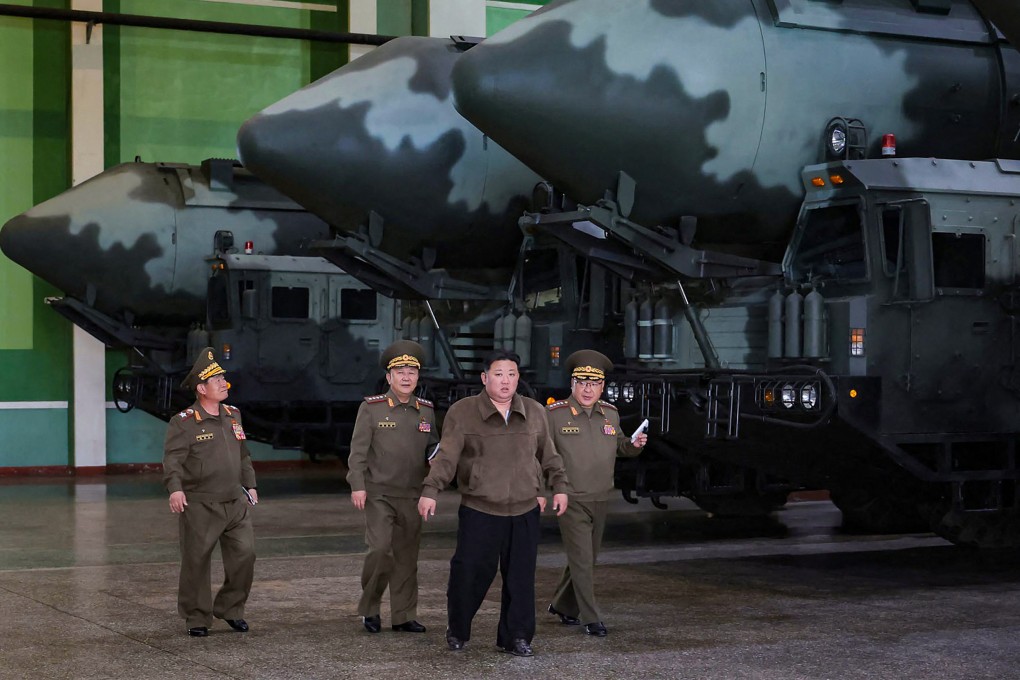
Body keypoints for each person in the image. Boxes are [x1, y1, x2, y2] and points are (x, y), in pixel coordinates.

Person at [417, 349, 569, 658]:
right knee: (469, 573)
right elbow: (447, 456)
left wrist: (560, 486)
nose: (506, 381)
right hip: (480, 509)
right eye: (499, 374)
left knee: (521, 580)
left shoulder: (536, 411)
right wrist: (430, 489)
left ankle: (516, 637)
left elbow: (548, 454)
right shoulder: (463, 412)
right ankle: (458, 629)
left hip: (524, 509)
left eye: (512, 374)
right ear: (485, 378)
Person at [545, 350, 647, 637]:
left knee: (586, 559)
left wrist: (635, 444)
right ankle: (591, 618)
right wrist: (546, 489)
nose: (588, 389)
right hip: (571, 498)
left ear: (602, 386)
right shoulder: (554, 415)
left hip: (601, 497)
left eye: (594, 383)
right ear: (572, 384)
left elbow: (621, 446)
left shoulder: (610, 414)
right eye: (582, 382)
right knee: (582, 561)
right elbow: (539, 454)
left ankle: (562, 605)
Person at [163, 347, 258, 637]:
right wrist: (175, 490)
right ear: (201, 388)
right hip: (201, 505)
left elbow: (243, 454)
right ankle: (197, 617)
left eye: (222, 377)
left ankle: (230, 608)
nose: (223, 382)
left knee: (246, 554)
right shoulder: (184, 422)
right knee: (196, 561)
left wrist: (250, 484)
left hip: (234, 501)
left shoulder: (233, 415)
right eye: (216, 379)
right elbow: (173, 461)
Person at [347, 340, 437, 634]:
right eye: (400, 371)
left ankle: (403, 615)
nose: (406, 377)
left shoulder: (426, 411)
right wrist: (357, 485)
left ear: (418, 376)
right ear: (389, 377)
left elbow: (434, 449)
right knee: (381, 550)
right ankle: (370, 608)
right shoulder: (371, 409)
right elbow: (358, 452)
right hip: (378, 494)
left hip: (412, 494)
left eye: (412, 371)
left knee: (407, 557)